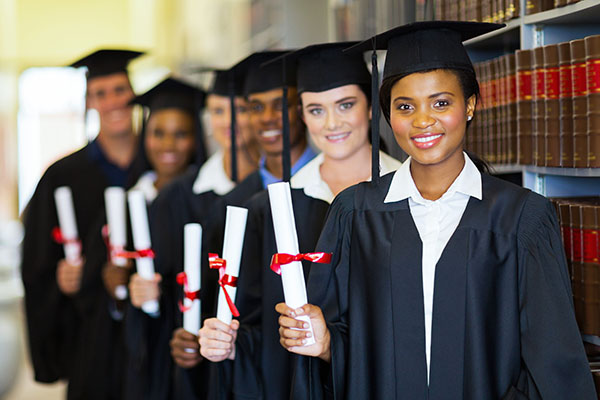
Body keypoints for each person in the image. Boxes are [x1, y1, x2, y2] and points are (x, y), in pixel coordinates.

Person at [276, 21, 598, 399]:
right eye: (405, 106)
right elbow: (341, 346)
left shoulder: (522, 217)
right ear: (388, 115)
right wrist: (325, 342)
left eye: (441, 103)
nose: (423, 120)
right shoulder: (354, 213)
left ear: (471, 105)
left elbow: (553, 360)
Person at [198, 42, 401, 399]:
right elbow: (255, 328)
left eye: (346, 105)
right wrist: (229, 344)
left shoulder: (409, 195)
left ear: (371, 106)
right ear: (302, 116)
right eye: (316, 110)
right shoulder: (272, 209)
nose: (332, 123)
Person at [127, 68, 258, 400]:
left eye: (241, 109)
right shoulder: (177, 197)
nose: (229, 121)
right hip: (192, 364)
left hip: (259, 359)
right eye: (217, 110)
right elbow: (163, 291)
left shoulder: (279, 190)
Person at [73, 77, 205, 400]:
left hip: (189, 358)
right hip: (134, 360)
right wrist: (117, 290)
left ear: (196, 139)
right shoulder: (130, 200)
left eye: (181, 134)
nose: (168, 145)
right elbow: (96, 296)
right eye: (157, 133)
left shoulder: (207, 201)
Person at [20, 49, 143, 394]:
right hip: (89, 337)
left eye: (119, 89)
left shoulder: (160, 167)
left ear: (133, 94)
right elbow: (35, 261)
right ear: (89, 101)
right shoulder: (61, 176)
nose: (112, 101)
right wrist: (59, 276)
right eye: (100, 93)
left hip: (152, 332)